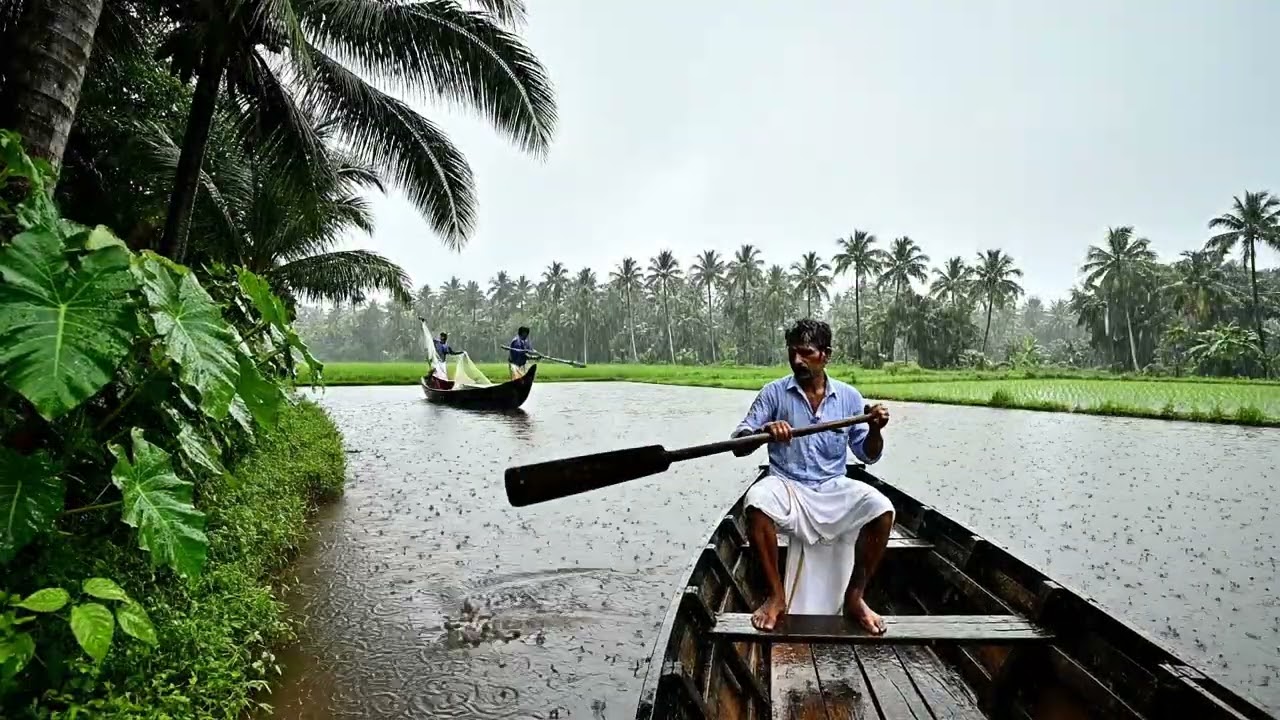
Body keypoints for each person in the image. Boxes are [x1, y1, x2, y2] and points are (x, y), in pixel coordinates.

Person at [731, 318, 892, 634]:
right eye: (792, 353)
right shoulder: (774, 393)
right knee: (757, 501)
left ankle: (856, 597)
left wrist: (875, 428)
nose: (796, 361)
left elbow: (868, 455)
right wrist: (764, 432)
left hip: (832, 486)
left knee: (882, 508)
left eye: (805, 353)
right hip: (787, 484)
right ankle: (776, 597)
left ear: (826, 354)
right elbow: (739, 443)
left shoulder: (848, 397)